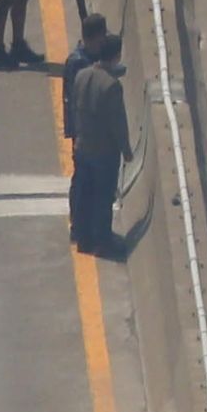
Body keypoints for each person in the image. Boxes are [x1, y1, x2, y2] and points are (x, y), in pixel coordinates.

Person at [70, 32, 132, 253]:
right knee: (103, 196)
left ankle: (82, 237)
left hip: (82, 145)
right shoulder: (112, 85)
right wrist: (126, 150)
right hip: (103, 151)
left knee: (84, 193)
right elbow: (117, 122)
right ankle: (102, 240)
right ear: (116, 56)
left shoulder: (82, 75)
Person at [62, 12, 110, 154]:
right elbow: (76, 100)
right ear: (96, 38)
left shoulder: (93, 57)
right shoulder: (78, 63)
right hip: (83, 129)